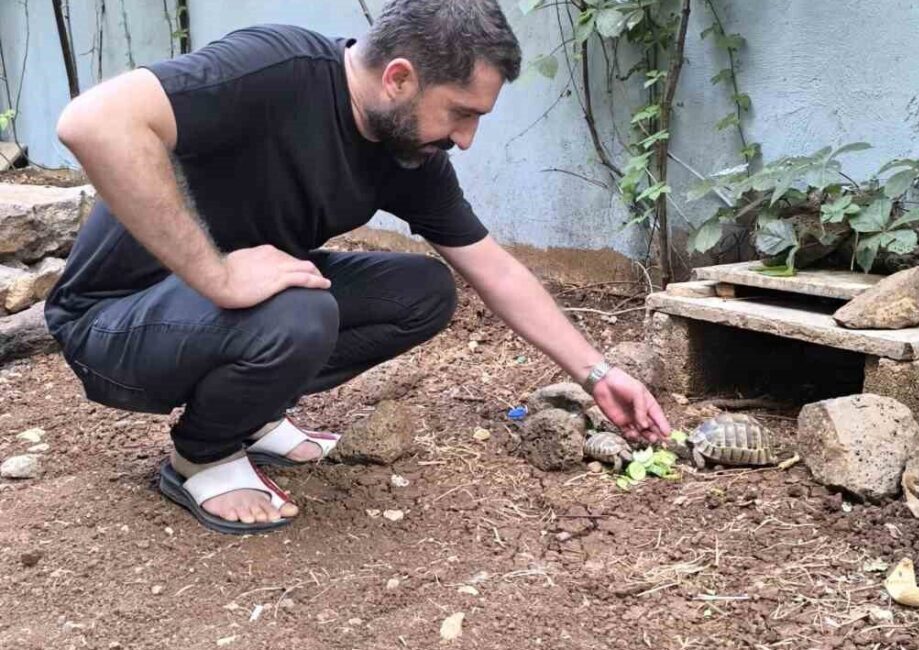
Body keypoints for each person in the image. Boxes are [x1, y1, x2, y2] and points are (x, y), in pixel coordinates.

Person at [45, 0, 670, 535]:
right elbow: (93, 121)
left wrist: (598, 373)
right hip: (113, 321)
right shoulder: (275, 69)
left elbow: (495, 270)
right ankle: (201, 459)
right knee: (301, 309)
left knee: (424, 290)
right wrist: (219, 274)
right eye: (461, 112)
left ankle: (251, 415)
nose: (467, 137)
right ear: (399, 78)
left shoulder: (405, 154)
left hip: (220, 319)